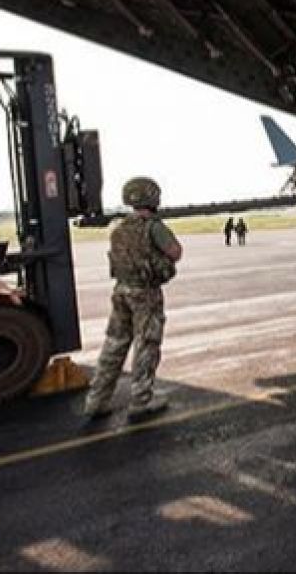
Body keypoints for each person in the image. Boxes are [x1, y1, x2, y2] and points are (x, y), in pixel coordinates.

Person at [84, 177, 182, 422]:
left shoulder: (118, 227)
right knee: (147, 344)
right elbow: (175, 252)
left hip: (121, 291)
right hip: (145, 294)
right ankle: (141, 400)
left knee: (114, 344)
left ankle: (96, 399)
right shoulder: (153, 226)